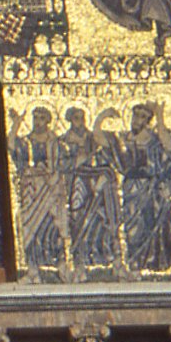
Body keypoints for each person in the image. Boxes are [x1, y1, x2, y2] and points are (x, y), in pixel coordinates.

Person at [113, 103, 171, 271]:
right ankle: (134, 264)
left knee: (158, 222)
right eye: (135, 115)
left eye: (142, 116)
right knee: (133, 226)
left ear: (147, 121)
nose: (137, 119)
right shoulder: (124, 139)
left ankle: (161, 263)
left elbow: (170, 152)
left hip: (152, 188)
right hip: (132, 189)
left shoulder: (153, 140)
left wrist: (160, 117)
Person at [58, 106, 119, 269]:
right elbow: (61, 164)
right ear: (70, 120)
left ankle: (98, 255)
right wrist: (78, 160)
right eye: (77, 118)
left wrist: (100, 118)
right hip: (76, 181)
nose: (81, 122)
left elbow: (105, 153)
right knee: (77, 215)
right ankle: (79, 257)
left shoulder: (92, 138)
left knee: (98, 216)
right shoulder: (63, 141)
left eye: (82, 118)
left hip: (94, 181)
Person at [10, 106, 68, 271]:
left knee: (52, 227)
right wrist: (16, 124)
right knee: (31, 228)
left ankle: (60, 265)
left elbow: (63, 164)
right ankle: (33, 268)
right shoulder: (27, 142)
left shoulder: (55, 143)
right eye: (35, 118)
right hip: (32, 190)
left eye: (42, 118)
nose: (38, 122)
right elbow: (11, 147)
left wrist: (52, 174)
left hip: (50, 189)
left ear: (48, 121)